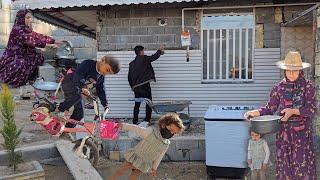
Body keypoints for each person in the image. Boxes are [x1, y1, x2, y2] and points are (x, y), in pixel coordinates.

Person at [244, 51, 317, 180]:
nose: (291, 73)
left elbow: (312, 109)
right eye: (288, 70)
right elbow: (269, 108)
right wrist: (254, 113)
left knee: (302, 169)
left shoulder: (308, 87)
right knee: (285, 171)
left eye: (294, 70)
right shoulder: (279, 88)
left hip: (302, 138)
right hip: (284, 137)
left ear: (300, 70)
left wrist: (293, 111)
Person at [109, 113, 184, 180]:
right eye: (171, 129)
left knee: (134, 176)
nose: (171, 133)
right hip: (135, 157)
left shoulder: (166, 144)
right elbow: (137, 129)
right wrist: (123, 126)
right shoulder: (152, 131)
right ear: (163, 125)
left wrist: (154, 168)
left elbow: (159, 156)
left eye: (174, 133)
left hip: (144, 162)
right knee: (120, 172)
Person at [0, 9, 62, 88]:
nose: (30, 20)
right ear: (21, 18)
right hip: (13, 57)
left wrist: (53, 41)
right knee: (20, 64)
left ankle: (28, 77)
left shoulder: (26, 29)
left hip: (24, 55)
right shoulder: (17, 30)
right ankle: (10, 82)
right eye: (27, 18)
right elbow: (31, 40)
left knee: (39, 58)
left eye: (30, 18)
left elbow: (37, 36)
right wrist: (48, 45)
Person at [57, 56, 120, 128]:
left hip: (79, 90)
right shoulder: (88, 64)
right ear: (103, 60)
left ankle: (65, 129)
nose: (106, 73)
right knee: (77, 96)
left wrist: (105, 104)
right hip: (70, 83)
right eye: (107, 69)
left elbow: (101, 90)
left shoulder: (101, 77)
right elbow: (78, 75)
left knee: (79, 114)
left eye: (109, 73)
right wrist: (83, 87)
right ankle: (58, 110)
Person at [128, 45, 165, 125]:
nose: (144, 52)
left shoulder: (131, 64)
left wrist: (132, 87)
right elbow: (153, 57)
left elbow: (129, 77)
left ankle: (135, 121)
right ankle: (147, 120)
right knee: (149, 102)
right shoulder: (144, 58)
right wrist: (160, 50)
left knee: (137, 104)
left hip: (136, 88)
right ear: (141, 52)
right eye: (143, 51)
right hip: (145, 85)